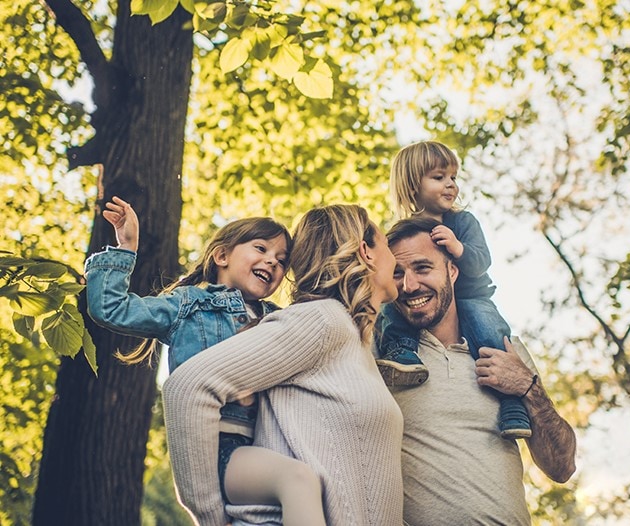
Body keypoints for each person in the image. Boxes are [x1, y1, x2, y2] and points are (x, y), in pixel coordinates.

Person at [85, 197, 325, 525]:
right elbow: (111, 308)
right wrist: (126, 248)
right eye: (260, 248)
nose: (272, 261)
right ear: (222, 256)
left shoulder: (278, 319)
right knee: (297, 480)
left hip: (269, 444)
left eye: (282, 261)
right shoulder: (189, 305)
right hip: (218, 449)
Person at [162, 204, 404, 526]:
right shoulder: (322, 321)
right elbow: (188, 386)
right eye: (387, 245)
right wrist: (210, 516)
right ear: (366, 251)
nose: (396, 260)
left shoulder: (352, 338)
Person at [382, 216, 577, 525]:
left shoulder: (505, 349)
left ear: (452, 271)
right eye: (397, 273)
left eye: (423, 268)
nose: (409, 285)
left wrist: (528, 387)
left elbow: (561, 466)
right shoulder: (382, 355)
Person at [375, 140, 531, 439]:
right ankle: (402, 351)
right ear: (412, 185)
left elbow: (482, 261)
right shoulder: (403, 233)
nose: (451, 185)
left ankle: (511, 403)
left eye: (453, 177)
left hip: (471, 296)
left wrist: (458, 248)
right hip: (426, 304)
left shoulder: (462, 222)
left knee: (489, 331)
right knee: (389, 307)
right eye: (439, 177)